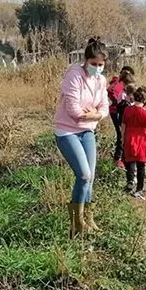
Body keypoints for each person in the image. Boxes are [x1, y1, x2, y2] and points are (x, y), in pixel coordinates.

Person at [53, 37, 109, 237]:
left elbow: (105, 108)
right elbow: (74, 110)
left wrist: (93, 114)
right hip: (67, 131)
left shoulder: (101, 80)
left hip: (87, 131)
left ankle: (88, 219)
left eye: (100, 65)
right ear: (85, 61)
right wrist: (94, 113)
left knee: (90, 178)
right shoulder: (74, 75)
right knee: (83, 175)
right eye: (93, 64)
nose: (97, 68)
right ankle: (76, 224)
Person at [121, 85, 146, 199]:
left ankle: (130, 182)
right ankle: (139, 189)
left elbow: (123, 126)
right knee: (141, 166)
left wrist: (122, 139)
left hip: (130, 139)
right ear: (144, 100)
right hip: (142, 142)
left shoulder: (128, 110)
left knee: (130, 163)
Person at [107, 66, 135, 169]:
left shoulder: (118, 84)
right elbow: (112, 93)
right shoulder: (119, 85)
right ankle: (118, 158)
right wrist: (118, 103)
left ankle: (121, 157)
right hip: (116, 112)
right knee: (121, 134)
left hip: (116, 111)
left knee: (122, 134)